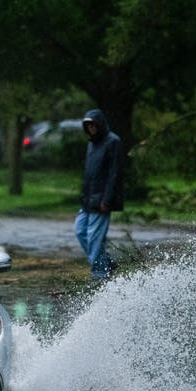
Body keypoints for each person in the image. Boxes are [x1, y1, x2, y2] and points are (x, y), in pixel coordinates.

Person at [73, 108, 123, 281]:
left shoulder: (113, 141)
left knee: (95, 238)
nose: (91, 128)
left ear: (100, 124)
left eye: (93, 125)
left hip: (102, 200)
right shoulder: (91, 144)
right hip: (88, 199)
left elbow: (114, 173)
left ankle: (100, 273)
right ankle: (105, 262)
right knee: (80, 231)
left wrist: (107, 200)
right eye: (88, 126)